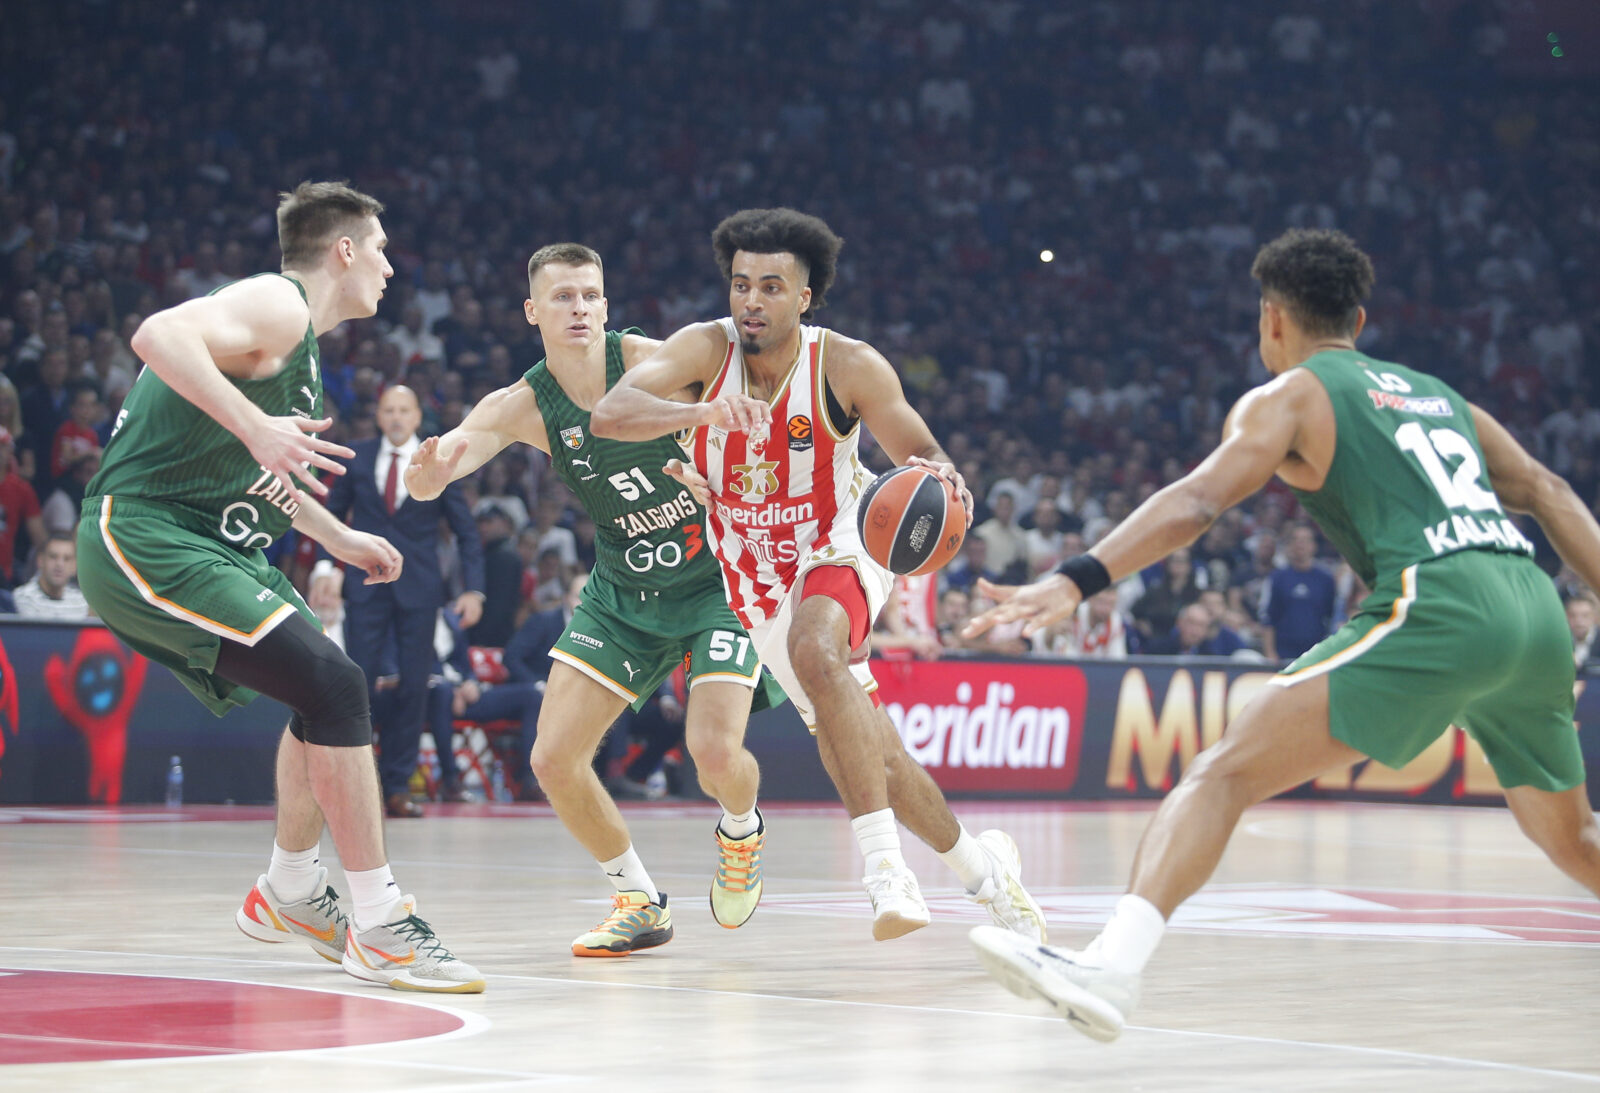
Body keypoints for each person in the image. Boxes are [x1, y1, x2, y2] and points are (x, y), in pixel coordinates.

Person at [963, 228, 1600, 1041]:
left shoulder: (1292, 394)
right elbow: (1547, 488)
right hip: (1535, 606)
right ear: (1359, 319)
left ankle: (1112, 968)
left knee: (1223, 773)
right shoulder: (1439, 395)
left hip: (1442, 601)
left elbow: (1197, 504)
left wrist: (1074, 577)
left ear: (1271, 320)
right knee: (1575, 836)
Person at [592, 208, 1045, 943]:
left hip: (839, 540)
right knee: (877, 753)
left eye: (772, 287)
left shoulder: (847, 364)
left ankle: (885, 874)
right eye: (741, 284)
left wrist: (945, 488)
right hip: (753, 573)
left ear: (805, 297)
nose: (751, 301)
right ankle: (985, 872)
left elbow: (926, 455)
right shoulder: (704, 350)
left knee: (815, 646)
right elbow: (610, 415)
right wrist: (707, 411)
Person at [74, 181, 482, 992]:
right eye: (381, 248)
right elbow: (156, 333)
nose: (391, 267)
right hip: (147, 531)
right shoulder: (279, 303)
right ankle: (380, 922)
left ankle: (290, 891)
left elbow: (256, 472)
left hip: (216, 543)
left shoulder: (300, 355)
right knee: (335, 683)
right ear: (343, 250)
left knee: (321, 695)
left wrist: (337, 535)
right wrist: (256, 426)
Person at [405, 242, 779, 954]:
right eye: (562, 297)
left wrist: (723, 467)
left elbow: (757, 429)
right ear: (532, 311)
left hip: (716, 581)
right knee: (552, 758)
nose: (577, 308)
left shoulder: (652, 363)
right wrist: (427, 473)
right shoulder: (520, 405)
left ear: (605, 305)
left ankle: (741, 828)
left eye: (588, 295)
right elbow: (437, 475)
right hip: (622, 590)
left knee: (712, 752)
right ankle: (638, 897)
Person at [316, 383, 485, 819]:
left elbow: (466, 530)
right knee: (358, 683)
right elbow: (330, 516)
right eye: (387, 409)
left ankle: (396, 788)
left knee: (414, 687)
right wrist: (326, 569)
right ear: (378, 416)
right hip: (365, 584)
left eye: (403, 410)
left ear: (416, 417)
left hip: (419, 587)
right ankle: (354, 786)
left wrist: (472, 589)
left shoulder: (437, 460)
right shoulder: (359, 457)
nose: (395, 417)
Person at [1258, 522, 1338, 660]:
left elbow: (1332, 616)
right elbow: (1268, 618)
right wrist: (1270, 653)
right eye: (1295, 539)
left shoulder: (1326, 579)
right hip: (1282, 652)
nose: (1300, 544)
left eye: (1305, 540)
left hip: (1316, 653)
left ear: (1314, 546)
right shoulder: (1277, 577)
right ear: (1289, 545)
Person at [13, 531, 89, 618]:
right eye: (53, 557)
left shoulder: (81, 602)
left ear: (75, 566)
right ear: (40, 561)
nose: (59, 564)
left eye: (67, 559)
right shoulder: (23, 597)